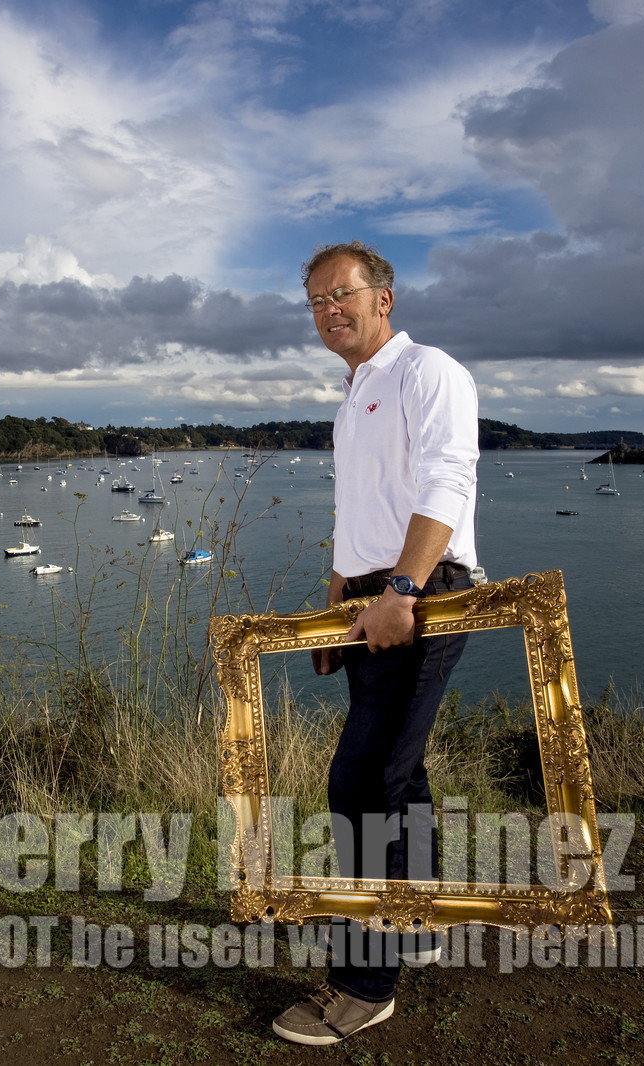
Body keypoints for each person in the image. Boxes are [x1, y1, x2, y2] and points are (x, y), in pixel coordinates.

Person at [272, 242, 479, 1046]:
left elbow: (447, 481)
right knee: (400, 770)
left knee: (361, 781)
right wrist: (335, 608)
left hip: (416, 594)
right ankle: (417, 921)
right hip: (366, 602)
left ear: (383, 299)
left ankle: (364, 984)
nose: (329, 310)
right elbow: (355, 515)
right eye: (317, 299)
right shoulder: (354, 393)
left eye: (343, 294)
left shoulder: (428, 371)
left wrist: (402, 590)